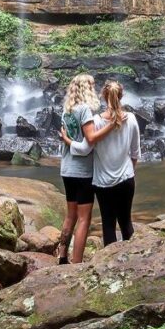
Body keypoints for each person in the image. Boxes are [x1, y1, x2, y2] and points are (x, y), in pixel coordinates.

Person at [63, 79, 139, 246]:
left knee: (108, 225)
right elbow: (135, 153)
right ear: (121, 96)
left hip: (103, 183)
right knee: (126, 223)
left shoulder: (96, 121)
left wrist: (67, 140)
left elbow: (85, 149)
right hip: (126, 179)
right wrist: (128, 173)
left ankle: (109, 266)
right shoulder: (131, 119)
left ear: (104, 97)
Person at [57, 73, 116, 264]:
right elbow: (87, 144)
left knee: (70, 215)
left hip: (66, 170)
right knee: (84, 219)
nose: (94, 87)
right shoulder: (84, 111)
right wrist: (111, 126)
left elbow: (70, 142)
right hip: (82, 172)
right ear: (86, 88)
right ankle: (77, 262)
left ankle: (62, 256)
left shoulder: (67, 111)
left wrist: (66, 140)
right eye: (92, 85)